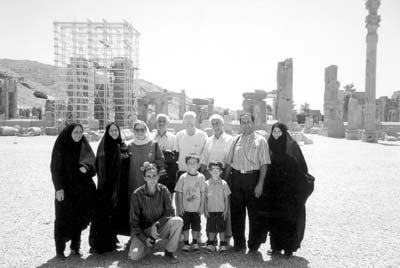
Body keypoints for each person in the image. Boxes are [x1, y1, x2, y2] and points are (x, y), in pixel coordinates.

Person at [224, 113, 271, 253]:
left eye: (248, 122)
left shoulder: (261, 140)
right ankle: (239, 244)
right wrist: (225, 182)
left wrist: (260, 184)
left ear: (253, 123)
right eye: (243, 122)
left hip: (253, 179)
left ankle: (253, 245)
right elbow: (228, 162)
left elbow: (264, 164)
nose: (246, 125)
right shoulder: (235, 140)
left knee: (254, 214)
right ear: (240, 124)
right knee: (237, 213)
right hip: (237, 179)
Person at [262, 122, 309, 257]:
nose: (276, 135)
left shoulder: (292, 146)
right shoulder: (268, 145)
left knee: (288, 218)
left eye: (279, 132)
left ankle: (289, 248)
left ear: (284, 133)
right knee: (275, 219)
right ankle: (276, 247)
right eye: (274, 132)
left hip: (289, 191)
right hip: (273, 190)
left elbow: (301, 167)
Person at [50, 123, 96, 259]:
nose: (77, 134)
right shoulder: (62, 146)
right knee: (62, 219)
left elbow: (92, 161)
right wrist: (58, 188)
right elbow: (55, 169)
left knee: (78, 217)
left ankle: (75, 247)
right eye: (75, 132)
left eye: (80, 132)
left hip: (81, 191)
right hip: (65, 190)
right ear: (69, 133)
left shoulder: (83, 145)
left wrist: (86, 167)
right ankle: (59, 250)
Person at [128, 162, 183, 263]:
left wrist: (156, 225)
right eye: (148, 176)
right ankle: (148, 246)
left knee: (177, 221)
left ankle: (169, 253)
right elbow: (134, 221)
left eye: (154, 176)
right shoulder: (137, 194)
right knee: (134, 256)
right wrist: (145, 238)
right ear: (144, 178)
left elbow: (170, 212)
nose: (152, 179)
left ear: (158, 176)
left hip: (159, 228)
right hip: (143, 231)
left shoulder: (164, 190)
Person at [89, 122, 129, 254]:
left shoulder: (123, 146)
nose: (114, 133)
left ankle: (112, 241)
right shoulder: (104, 147)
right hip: (106, 187)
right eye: (111, 131)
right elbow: (99, 166)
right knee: (103, 214)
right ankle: (100, 245)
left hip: (120, 187)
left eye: (116, 130)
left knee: (115, 214)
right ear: (107, 132)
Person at [200, 113, 234, 247]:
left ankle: (226, 237)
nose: (215, 126)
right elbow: (204, 160)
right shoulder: (208, 140)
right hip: (210, 178)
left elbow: (230, 161)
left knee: (225, 207)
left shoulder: (230, 140)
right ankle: (211, 236)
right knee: (209, 206)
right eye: (213, 123)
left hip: (225, 177)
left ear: (223, 124)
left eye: (217, 123)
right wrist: (202, 177)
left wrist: (224, 177)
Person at [174, 154, 206, 252]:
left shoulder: (201, 177)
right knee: (186, 226)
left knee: (196, 226)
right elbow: (179, 192)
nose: (192, 165)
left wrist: (202, 206)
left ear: (198, 165)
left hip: (196, 208)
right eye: (190, 163)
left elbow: (203, 193)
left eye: (194, 163)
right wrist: (180, 207)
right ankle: (186, 243)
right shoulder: (183, 177)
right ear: (186, 164)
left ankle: (195, 242)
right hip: (185, 208)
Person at [127, 121, 165, 201]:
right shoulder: (129, 146)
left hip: (150, 183)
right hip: (133, 183)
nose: (140, 132)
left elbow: (161, 161)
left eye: (142, 130)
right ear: (134, 131)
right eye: (137, 130)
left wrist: (152, 165)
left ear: (146, 130)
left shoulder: (154, 144)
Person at [204, 161, 231, 253]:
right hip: (210, 210)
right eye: (213, 169)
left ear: (221, 171)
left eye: (217, 169)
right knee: (211, 227)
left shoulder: (224, 183)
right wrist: (205, 209)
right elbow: (205, 199)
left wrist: (226, 210)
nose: (215, 171)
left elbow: (226, 198)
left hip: (221, 210)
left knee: (221, 228)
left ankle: (222, 244)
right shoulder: (206, 184)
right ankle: (211, 244)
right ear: (209, 171)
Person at [174, 111, 207, 179]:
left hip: (197, 172)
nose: (189, 122)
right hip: (182, 171)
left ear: (195, 121)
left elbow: (205, 155)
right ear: (183, 121)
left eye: (191, 119)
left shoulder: (203, 135)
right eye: (186, 119)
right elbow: (176, 152)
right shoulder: (179, 135)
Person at [150, 113, 178, 194]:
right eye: (159, 121)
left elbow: (175, 155)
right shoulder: (150, 137)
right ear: (156, 123)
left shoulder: (174, 138)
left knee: (168, 193)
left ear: (167, 124)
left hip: (169, 171)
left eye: (164, 121)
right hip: (154, 170)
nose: (161, 123)